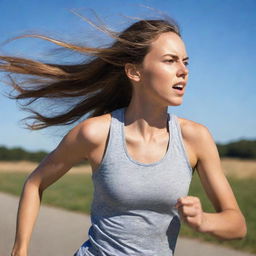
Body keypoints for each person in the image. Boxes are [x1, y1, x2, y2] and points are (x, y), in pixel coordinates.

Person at [1, 15, 246, 256]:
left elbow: (237, 225)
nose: (183, 71)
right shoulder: (96, 133)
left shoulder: (195, 138)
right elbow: (35, 182)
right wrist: (20, 249)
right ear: (134, 72)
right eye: (170, 61)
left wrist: (204, 221)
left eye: (186, 62)